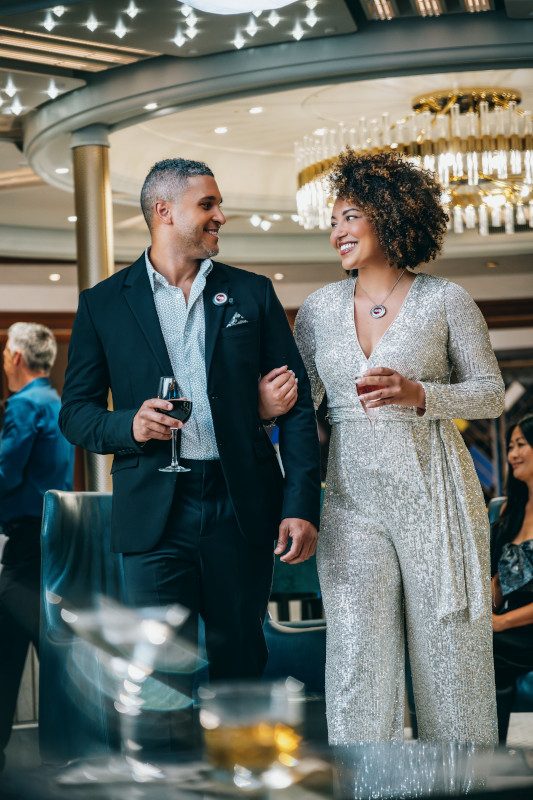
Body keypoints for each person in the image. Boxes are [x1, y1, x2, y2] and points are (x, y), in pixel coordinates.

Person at [59, 158, 321, 724]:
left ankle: (239, 782)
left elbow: (296, 410)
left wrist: (301, 506)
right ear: (164, 211)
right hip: (153, 511)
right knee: (158, 673)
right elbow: (76, 415)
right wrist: (126, 425)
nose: (220, 216)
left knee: (241, 660)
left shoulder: (252, 294)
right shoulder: (103, 304)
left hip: (240, 503)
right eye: (208, 205)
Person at [294, 149, 504, 745]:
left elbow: (489, 394)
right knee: (357, 661)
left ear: (389, 215)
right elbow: (298, 406)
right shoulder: (316, 311)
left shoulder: (446, 300)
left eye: (350, 216)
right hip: (352, 503)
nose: (337, 231)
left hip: (435, 495)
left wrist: (420, 393)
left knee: (451, 659)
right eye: (333, 220)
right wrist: (266, 401)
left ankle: (466, 788)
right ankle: (364, 787)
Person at [0, 323, 73, 769]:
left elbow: (6, 473)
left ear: (16, 359)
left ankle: (69, 745)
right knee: (15, 644)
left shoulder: (25, 405)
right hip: (51, 538)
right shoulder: (54, 401)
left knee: (37, 646)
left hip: (27, 542)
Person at [491, 413, 533, 743]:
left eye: (521, 444)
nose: (513, 454)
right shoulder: (511, 509)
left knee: (485, 649)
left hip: (520, 628)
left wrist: (501, 623)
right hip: (509, 627)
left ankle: (492, 758)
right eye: (510, 446)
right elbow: (497, 582)